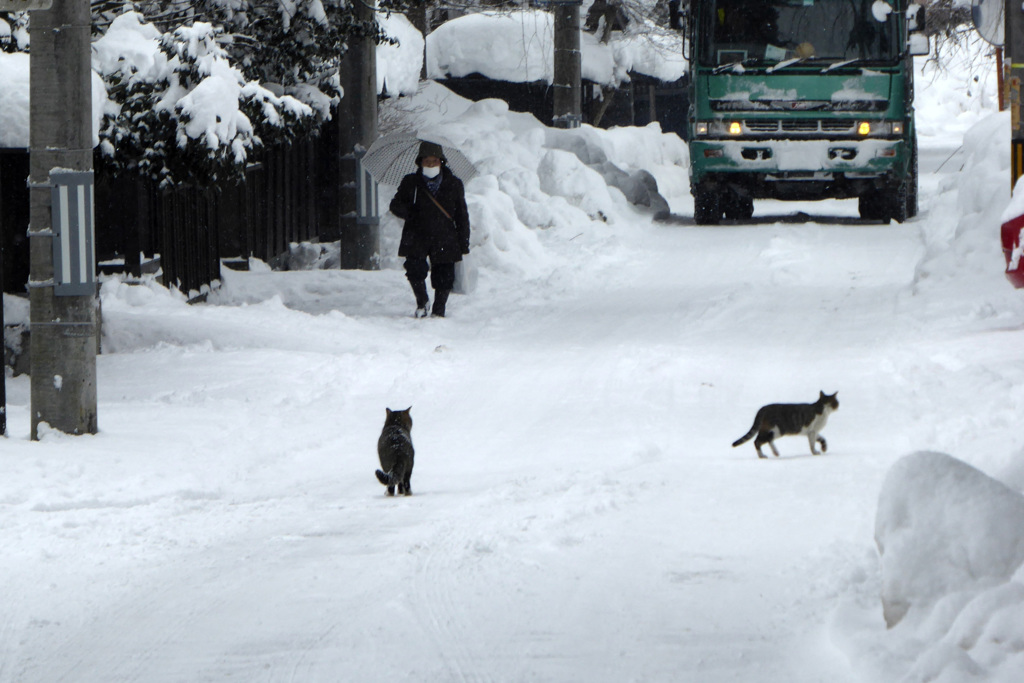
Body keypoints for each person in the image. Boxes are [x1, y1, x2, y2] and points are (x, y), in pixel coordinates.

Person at [388, 141, 471, 318]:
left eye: (435, 161)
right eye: (427, 161)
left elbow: (462, 215)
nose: (431, 164)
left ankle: (439, 309)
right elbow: (395, 205)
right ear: (420, 162)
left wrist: (464, 242)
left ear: (442, 162)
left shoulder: (454, 184)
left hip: (445, 235)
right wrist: (410, 212)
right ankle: (422, 302)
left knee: (444, 274)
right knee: (414, 269)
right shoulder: (411, 182)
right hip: (416, 234)